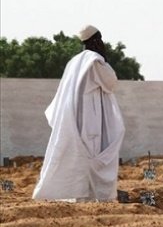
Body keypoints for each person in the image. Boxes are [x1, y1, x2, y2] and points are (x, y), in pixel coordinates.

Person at [33, 25, 125, 202]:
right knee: (92, 155)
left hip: (74, 115)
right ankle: (94, 197)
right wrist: (105, 59)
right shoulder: (95, 60)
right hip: (90, 117)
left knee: (78, 154)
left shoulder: (75, 61)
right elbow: (111, 82)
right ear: (96, 40)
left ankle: (78, 196)